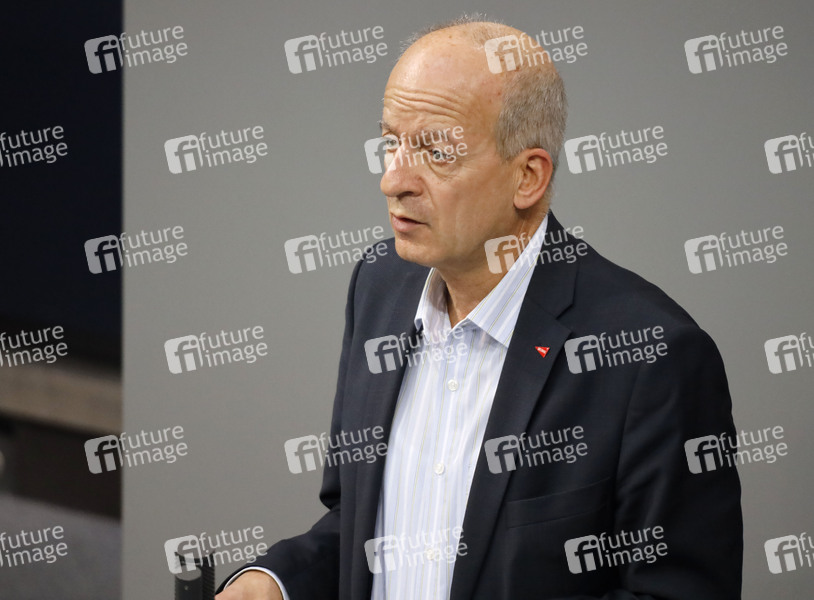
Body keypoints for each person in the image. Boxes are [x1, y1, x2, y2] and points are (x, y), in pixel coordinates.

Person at [217, 16, 742, 600]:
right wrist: (276, 583)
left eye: (436, 151)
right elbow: (361, 523)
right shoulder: (378, 286)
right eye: (390, 143)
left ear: (528, 177)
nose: (393, 180)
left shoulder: (652, 357)